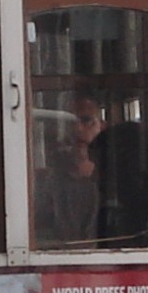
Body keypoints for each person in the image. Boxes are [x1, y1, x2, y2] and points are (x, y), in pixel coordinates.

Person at [33, 94, 108, 246]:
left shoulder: (113, 179)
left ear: (102, 126)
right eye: (71, 122)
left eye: (87, 121)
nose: (78, 128)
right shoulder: (46, 181)